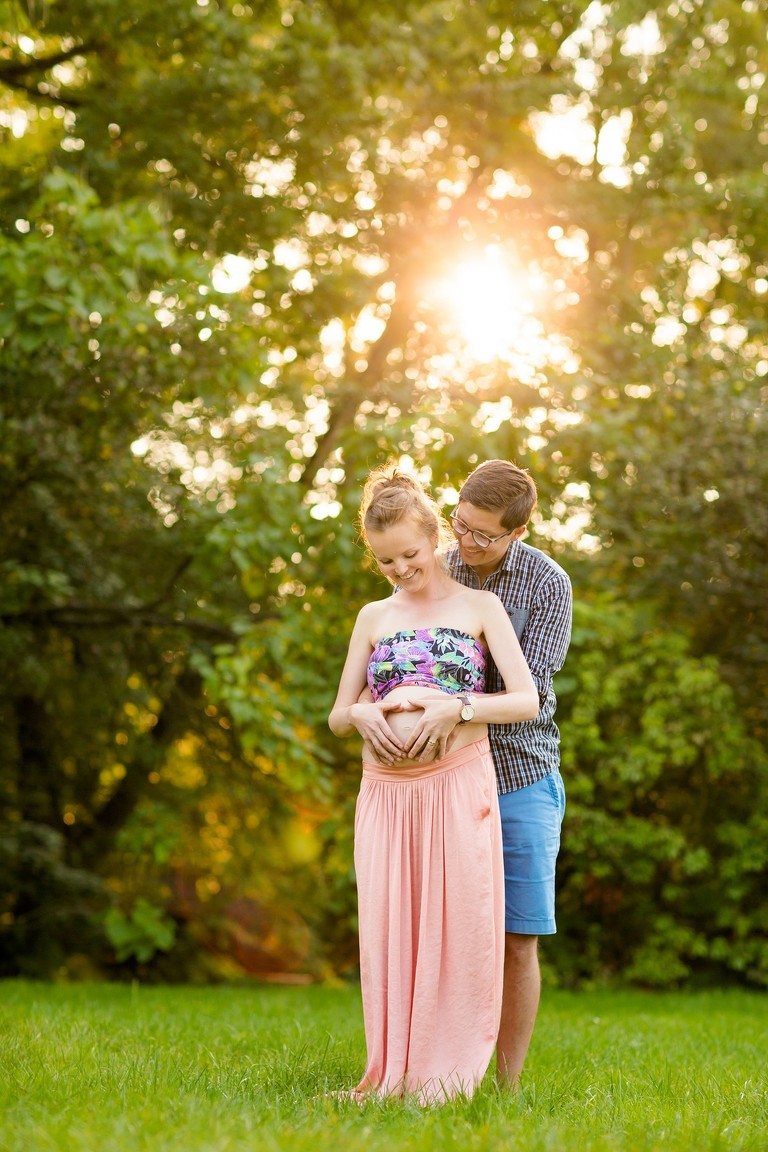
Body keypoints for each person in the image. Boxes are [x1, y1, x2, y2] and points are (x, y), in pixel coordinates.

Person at [328, 466, 539, 1104]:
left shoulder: (481, 606)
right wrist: (363, 712)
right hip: (386, 794)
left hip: (456, 784)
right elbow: (339, 715)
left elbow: (526, 700)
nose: (399, 568)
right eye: (385, 559)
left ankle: (450, 1077)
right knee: (392, 932)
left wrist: (460, 707)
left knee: (462, 928)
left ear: (432, 535)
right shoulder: (372, 615)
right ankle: (393, 1070)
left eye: (410, 554)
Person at [397, 459, 572, 1089]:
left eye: (485, 536)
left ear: (518, 534)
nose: (467, 544)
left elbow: (527, 689)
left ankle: (504, 1086)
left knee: (518, 938)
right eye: (459, 525)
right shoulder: (438, 566)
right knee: (440, 934)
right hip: (440, 777)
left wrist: (457, 702)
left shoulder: (547, 585)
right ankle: (435, 1072)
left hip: (521, 775)